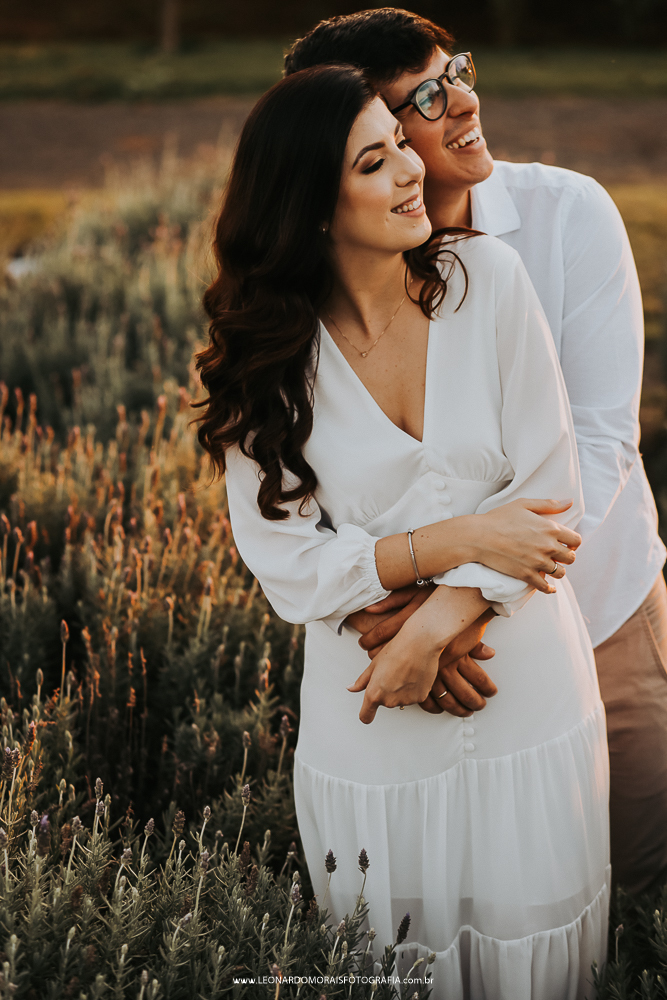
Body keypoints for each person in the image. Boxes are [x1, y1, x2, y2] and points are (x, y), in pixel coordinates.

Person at [195, 64, 609, 999]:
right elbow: (289, 568)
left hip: (524, 693)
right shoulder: (269, 361)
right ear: (308, 207)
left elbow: (551, 502)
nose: (411, 172)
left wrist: (432, 624)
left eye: (398, 145)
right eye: (374, 163)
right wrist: (460, 539)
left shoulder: (488, 282)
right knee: (387, 964)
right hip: (372, 718)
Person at [284, 7, 667, 896]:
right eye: (424, 97)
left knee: (637, 887)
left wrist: (449, 614)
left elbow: (598, 447)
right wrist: (397, 623)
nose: (463, 102)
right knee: (450, 904)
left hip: (597, 612)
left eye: (454, 70)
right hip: (397, 650)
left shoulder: (566, 216)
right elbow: (311, 504)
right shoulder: (316, 292)